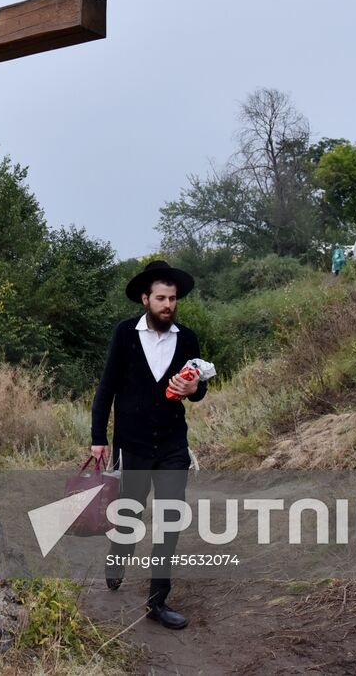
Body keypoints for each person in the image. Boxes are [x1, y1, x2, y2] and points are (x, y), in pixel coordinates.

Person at [89, 258, 207, 630]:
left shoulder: (187, 338)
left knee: (170, 521)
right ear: (145, 299)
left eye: (172, 298)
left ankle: (158, 602)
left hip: (173, 445)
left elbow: (198, 387)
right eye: (161, 298)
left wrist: (195, 388)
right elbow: (106, 388)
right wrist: (97, 438)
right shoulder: (125, 334)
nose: (168, 305)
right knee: (131, 514)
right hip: (134, 444)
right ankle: (118, 554)